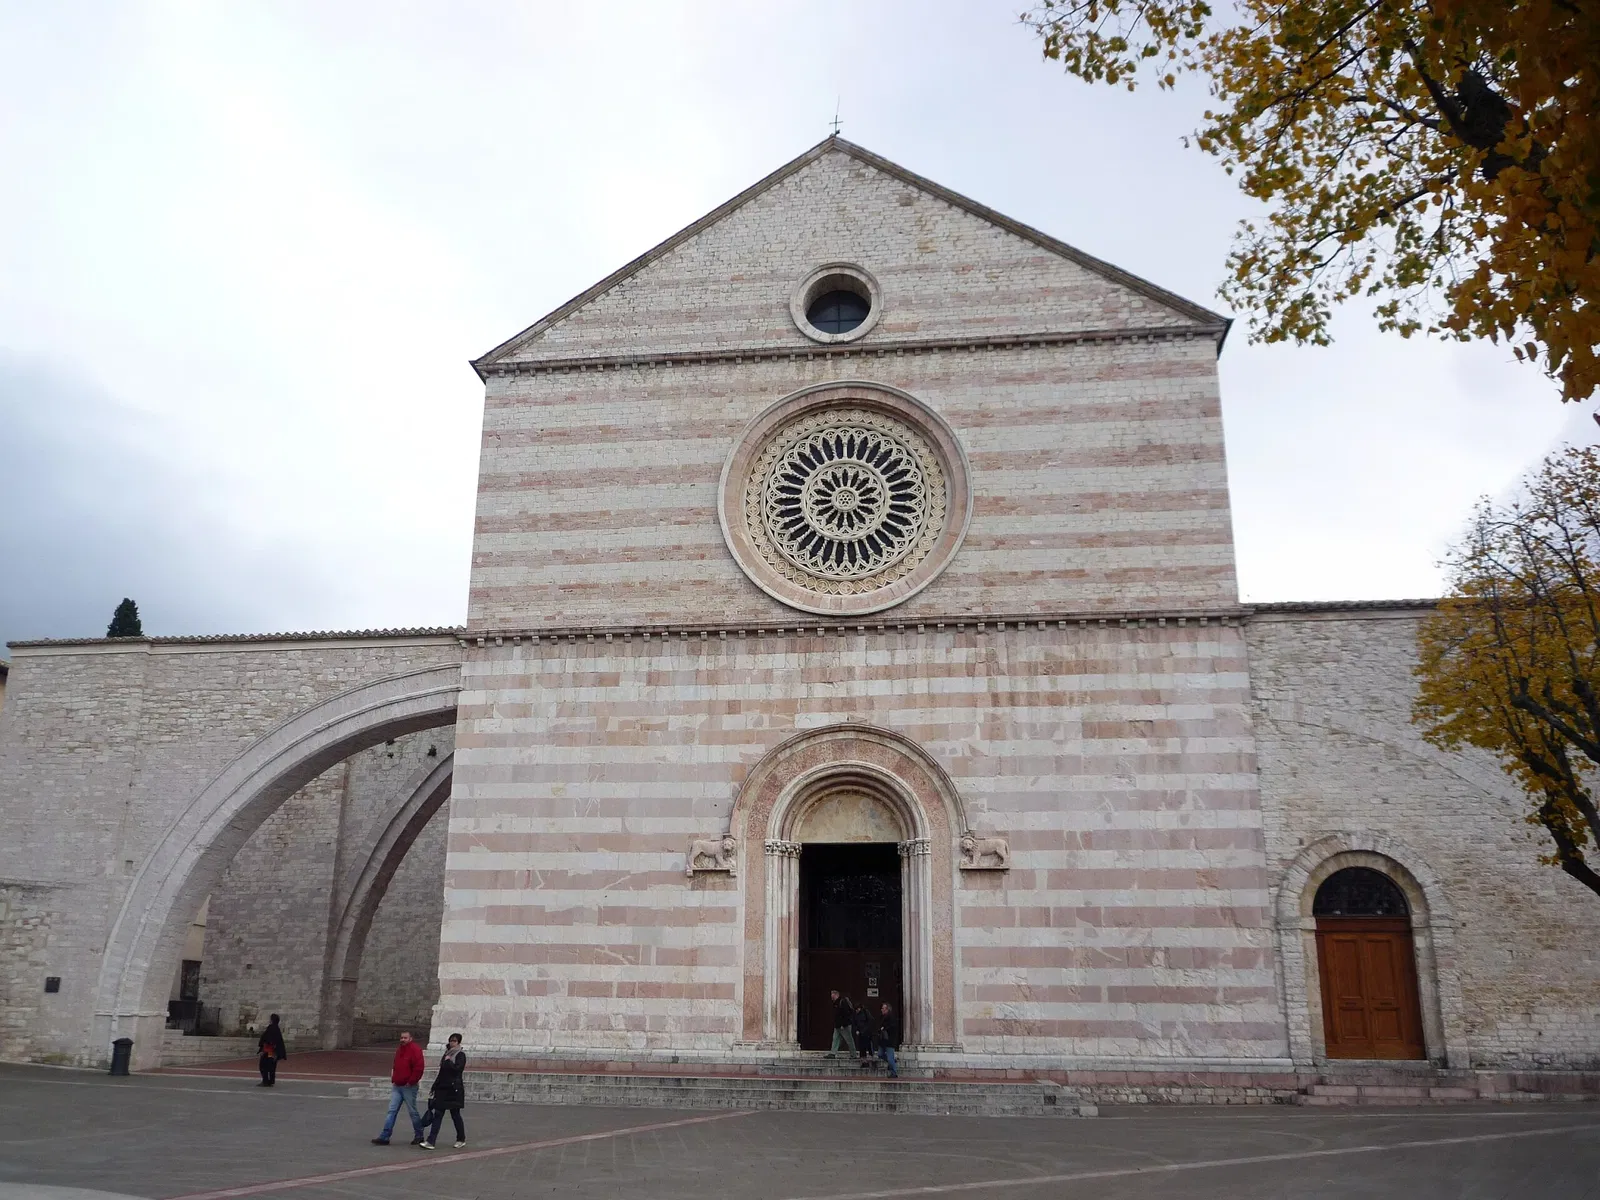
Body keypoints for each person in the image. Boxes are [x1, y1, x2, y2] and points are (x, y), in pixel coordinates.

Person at [371, 1030, 427, 1145]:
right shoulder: (399, 1050)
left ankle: (419, 1135)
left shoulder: (416, 1050)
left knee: (412, 1112)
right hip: (397, 1085)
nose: (402, 1040)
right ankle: (385, 1136)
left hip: (409, 1087)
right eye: (401, 1038)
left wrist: (411, 1081)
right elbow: (396, 1065)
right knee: (391, 1111)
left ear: (410, 1038)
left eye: (405, 1038)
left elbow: (419, 1068)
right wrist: (394, 1079)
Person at [419, 1033, 467, 1150]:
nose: (452, 1043)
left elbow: (458, 1069)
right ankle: (431, 1141)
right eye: (451, 1040)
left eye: (454, 1041)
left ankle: (461, 1139)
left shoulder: (460, 1055)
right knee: (438, 1115)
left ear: (458, 1042)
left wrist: (449, 1062)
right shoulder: (446, 1054)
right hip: (442, 1089)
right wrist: (434, 1086)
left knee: (455, 1115)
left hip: (454, 1090)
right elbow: (441, 1072)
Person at [256, 1014, 287, 1087]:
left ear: (272, 1020)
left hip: (269, 1050)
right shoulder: (277, 1029)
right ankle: (271, 1081)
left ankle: (265, 1081)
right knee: (271, 1065)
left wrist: (263, 1050)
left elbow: (267, 1040)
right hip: (273, 1051)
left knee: (263, 1065)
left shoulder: (271, 1028)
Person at [876, 1002, 901, 1078]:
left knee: (890, 1058)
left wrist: (884, 1028)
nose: (881, 1009)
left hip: (890, 1041)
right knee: (880, 1054)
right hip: (882, 1040)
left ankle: (894, 1073)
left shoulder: (892, 1018)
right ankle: (893, 1062)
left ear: (887, 1009)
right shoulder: (881, 1017)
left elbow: (892, 1028)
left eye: (883, 1008)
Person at [829, 991, 856, 1055]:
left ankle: (853, 1054)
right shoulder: (836, 1003)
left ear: (836, 995)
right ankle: (833, 1053)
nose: (831, 998)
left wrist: (843, 1024)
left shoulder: (842, 1002)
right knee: (835, 1039)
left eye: (832, 996)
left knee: (849, 1040)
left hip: (844, 1025)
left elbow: (846, 1014)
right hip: (838, 1025)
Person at [851, 999, 874, 1066]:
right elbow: (854, 1023)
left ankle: (870, 1058)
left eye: (858, 1009)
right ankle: (863, 1061)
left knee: (868, 1045)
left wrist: (865, 1029)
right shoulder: (855, 1014)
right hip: (860, 1033)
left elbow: (870, 1021)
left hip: (867, 1032)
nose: (857, 1011)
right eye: (856, 1009)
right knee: (861, 1047)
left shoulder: (865, 1012)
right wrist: (856, 1030)